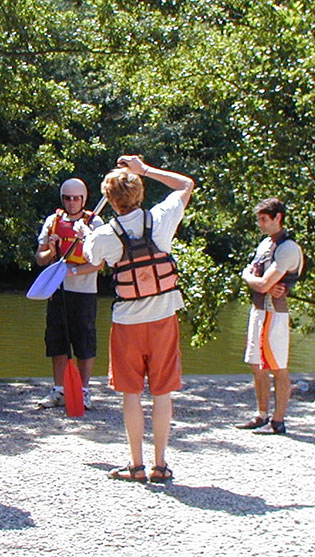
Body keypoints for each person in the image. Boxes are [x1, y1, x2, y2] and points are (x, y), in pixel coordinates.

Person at [82, 156, 195, 484]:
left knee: (131, 394)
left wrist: (86, 230)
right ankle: (160, 465)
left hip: (128, 324)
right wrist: (144, 169)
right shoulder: (161, 218)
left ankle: (136, 465)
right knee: (162, 394)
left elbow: (93, 260)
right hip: (163, 320)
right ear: (140, 193)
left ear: (111, 199)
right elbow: (186, 184)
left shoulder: (103, 234)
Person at [235, 197, 305, 435]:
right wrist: (256, 281)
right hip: (258, 310)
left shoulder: (288, 248)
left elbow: (264, 284)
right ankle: (262, 414)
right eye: (260, 220)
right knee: (256, 364)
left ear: (278, 218)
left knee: (278, 367)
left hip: (274, 314)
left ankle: (278, 420)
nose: (261, 224)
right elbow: (261, 279)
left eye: (265, 219)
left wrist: (248, 277)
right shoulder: (265, 244)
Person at [34, 178, 104, 410]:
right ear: (62, 199)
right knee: (57, 342)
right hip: (58, 291)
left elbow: (99, 263)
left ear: (83, 199)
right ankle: (59, 389)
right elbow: (40, 259)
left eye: (76, 198)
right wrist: (51, 251)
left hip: (83, 292)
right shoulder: (52, 222)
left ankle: (83, 390)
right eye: (67, 198)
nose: (72, 202)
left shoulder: (94, 223)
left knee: (84, 341)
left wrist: (73, 271)